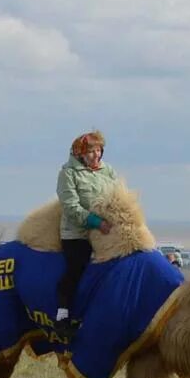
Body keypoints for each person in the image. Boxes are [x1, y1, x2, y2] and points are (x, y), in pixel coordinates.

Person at [56, 131, 117, 338]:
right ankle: (62, 317)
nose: (96, 155)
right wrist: (95, 222)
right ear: (80, 153)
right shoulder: (68, 173)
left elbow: (118, 196)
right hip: (78, 233)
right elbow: (71, 206)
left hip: (106, 231)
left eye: (99, 150)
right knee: (77, 268)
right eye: (91, 151)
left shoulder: (108, 171)